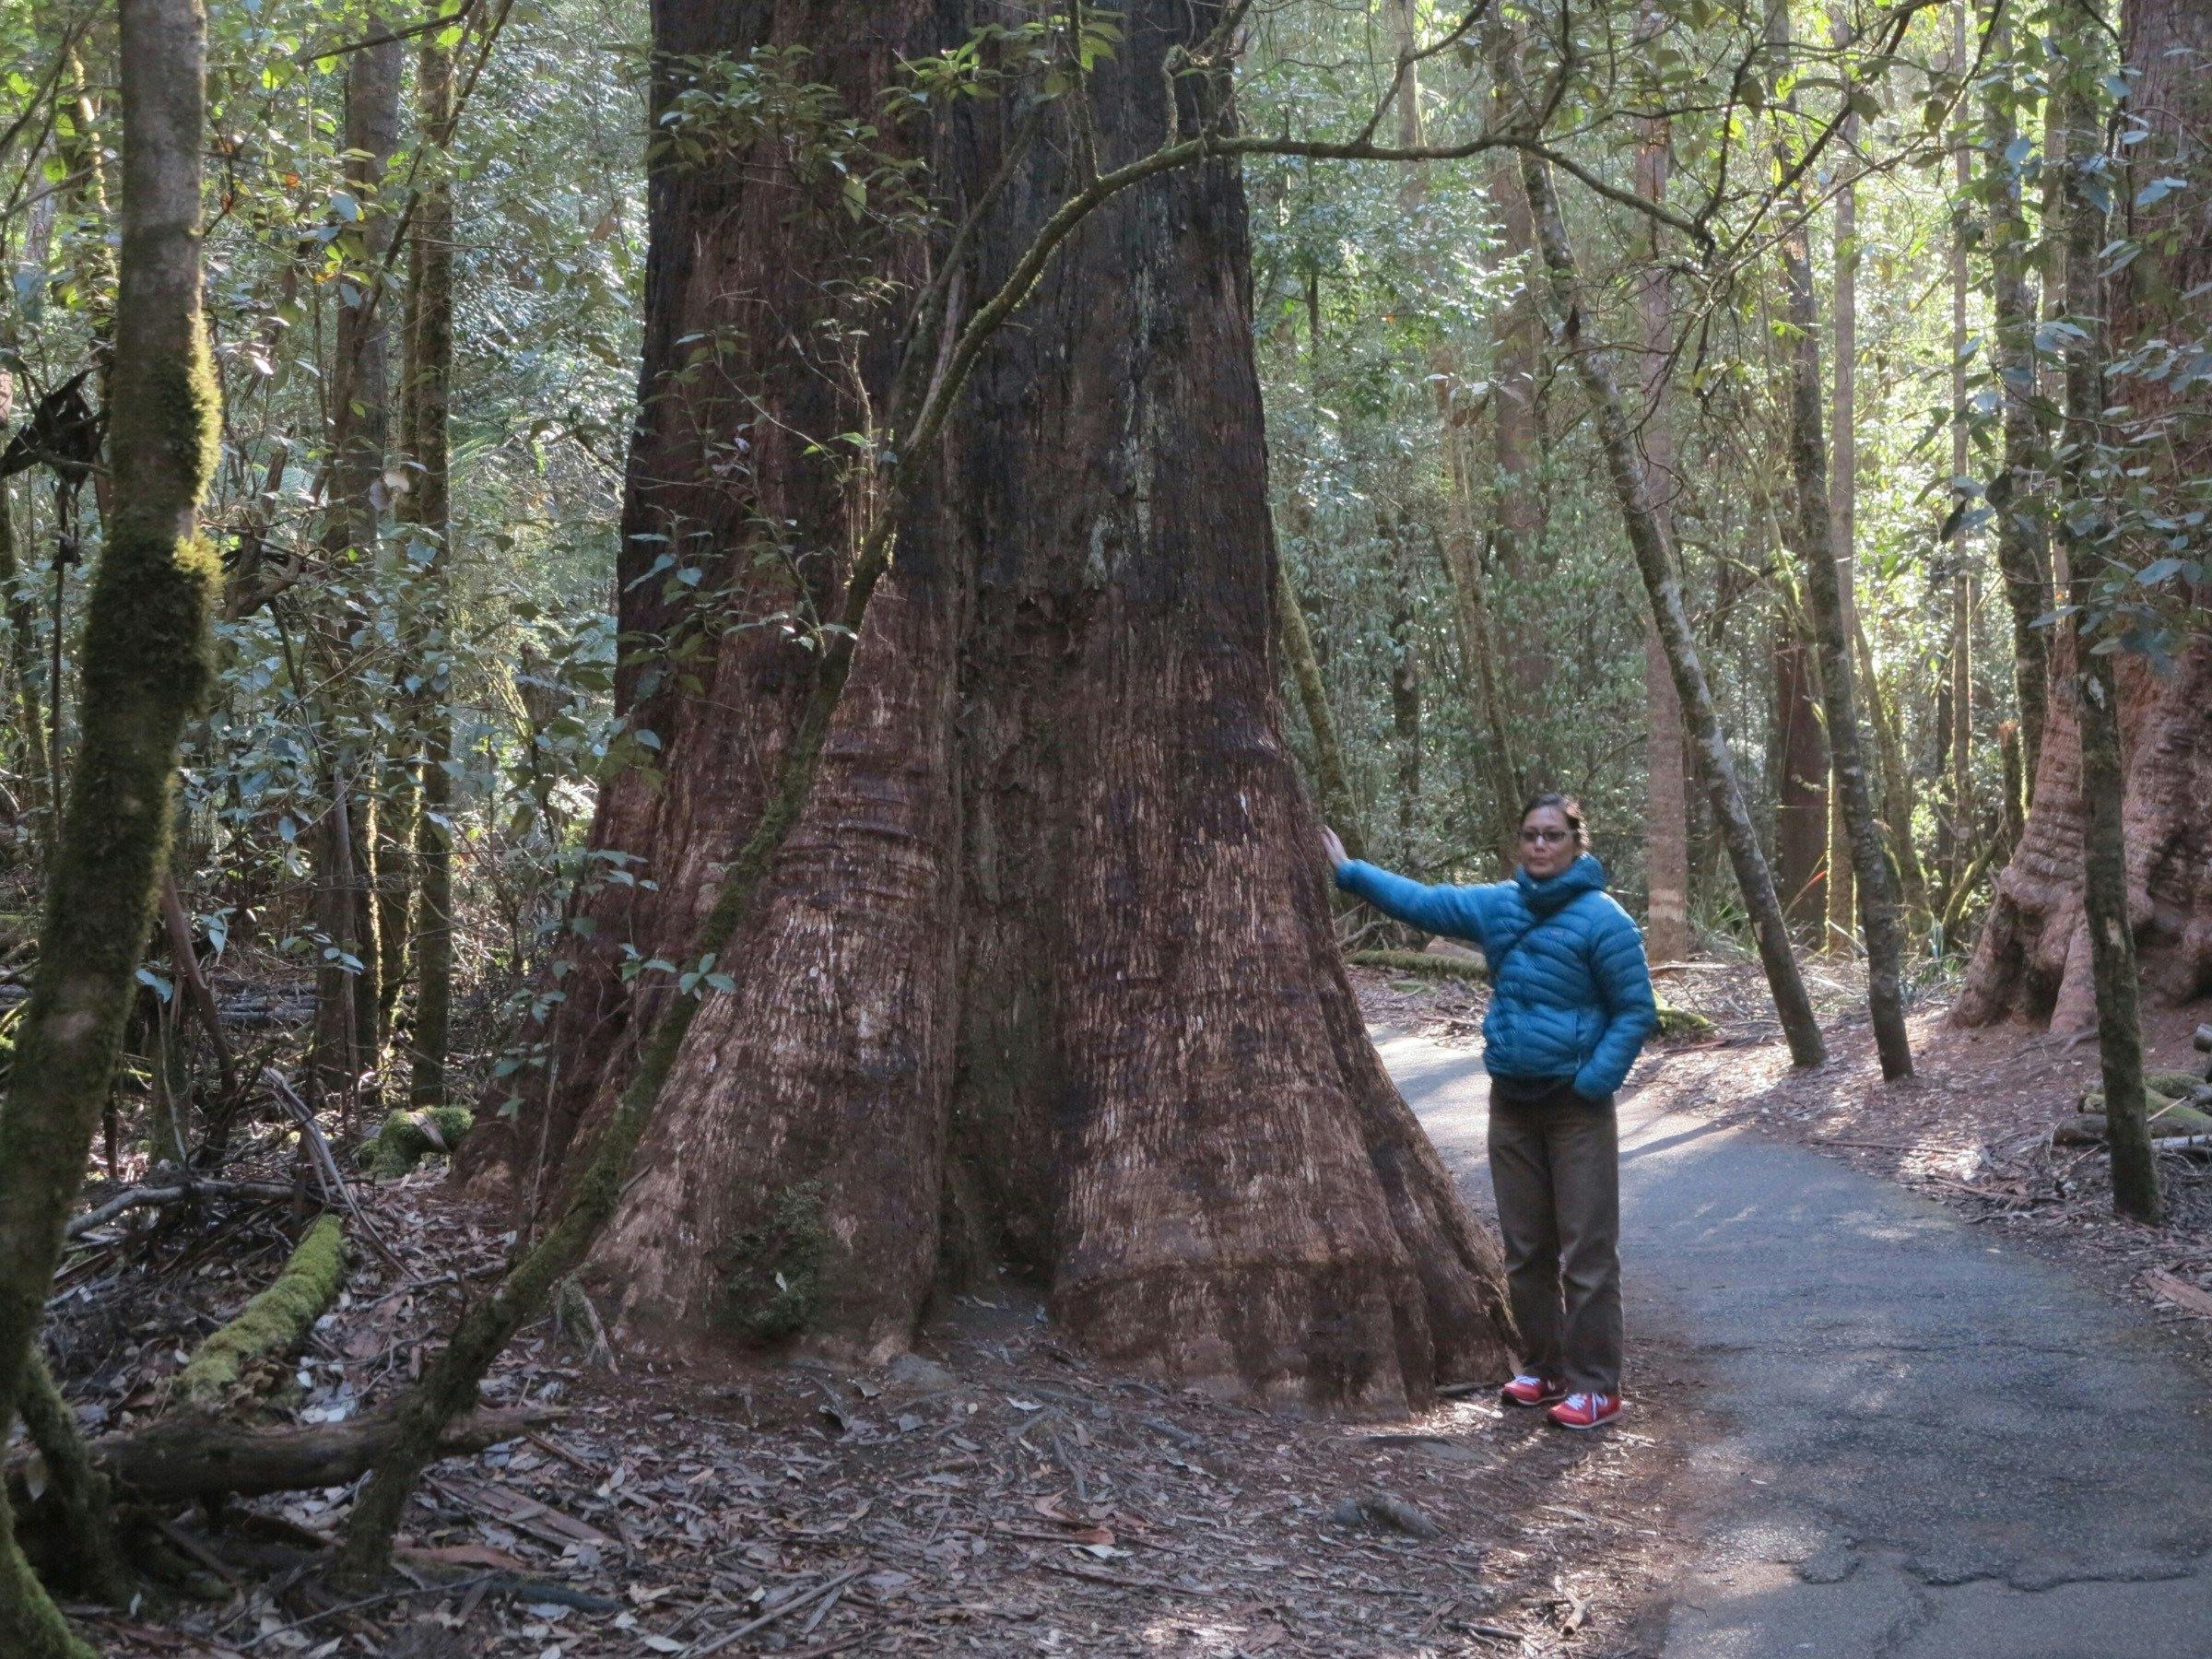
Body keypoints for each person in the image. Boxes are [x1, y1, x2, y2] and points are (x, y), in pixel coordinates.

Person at [1322, 794, 1656, 1430]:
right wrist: (1350, 872)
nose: (1539, 845)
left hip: (1576, 1107)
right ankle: (1543, 1367)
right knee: (1526, 1248)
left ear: (1576, 843)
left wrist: (1592, 1082)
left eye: (1552, 835)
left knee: (1587, 1249)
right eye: (1529, 834)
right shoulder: (1499, 906)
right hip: (1513, 1100)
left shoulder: (1604, 919)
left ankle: (1596, 1385)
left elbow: (1635, 1009)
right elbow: (1424, 901)